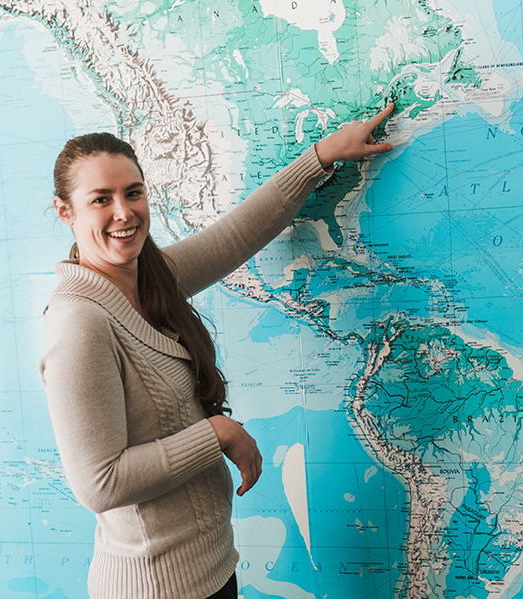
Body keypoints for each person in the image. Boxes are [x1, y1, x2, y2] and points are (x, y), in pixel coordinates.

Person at [38, 104, 395, 599]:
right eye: (101, 199)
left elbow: (235, 237)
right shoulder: (79, 322)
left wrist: (322, 157)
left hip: (208, 569)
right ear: (65, 211)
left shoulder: (149, 277)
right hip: (153, 588)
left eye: (133, 193)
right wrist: (216, 432)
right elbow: (100, 483)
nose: (124, 213)